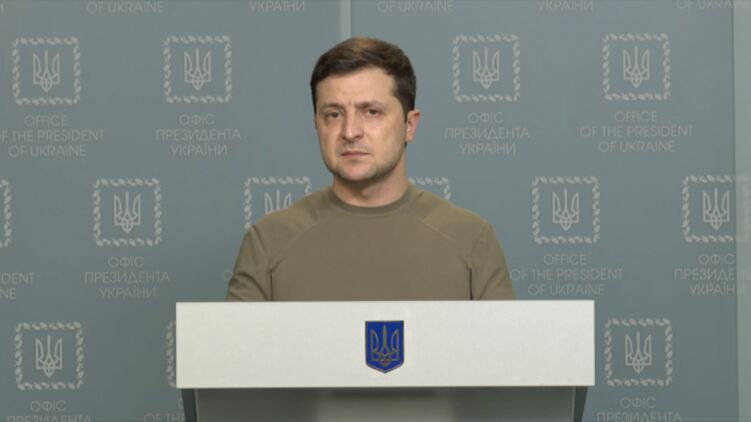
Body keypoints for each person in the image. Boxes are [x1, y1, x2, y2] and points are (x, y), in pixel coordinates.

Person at [226, 37, 514, 301]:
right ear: (317, 126)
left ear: (410, 125)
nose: (350, 131)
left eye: (371, 112)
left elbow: (504, 342)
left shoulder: (472, 240)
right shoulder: (268, 243)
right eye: (333, 115)